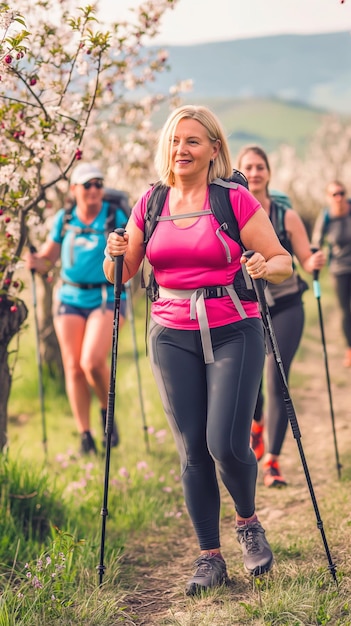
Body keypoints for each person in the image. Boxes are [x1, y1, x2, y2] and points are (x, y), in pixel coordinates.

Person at [103, 105, 293, 595]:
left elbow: (283, 262)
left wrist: (262, 267)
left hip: (234, 327)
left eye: (192, 141)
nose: (181, 150)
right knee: (192, 451)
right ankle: (210, 557)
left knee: (225, 443)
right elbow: (122, 276)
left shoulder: (233, 200)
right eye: (174, 140)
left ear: (213, 148)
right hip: (170, 333)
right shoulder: (152, 202)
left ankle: (248, 523)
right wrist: (114, 256)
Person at [237, 146, 326, 488]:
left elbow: (304, 258)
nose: (256, 172)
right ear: (241, 173)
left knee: (277, 379)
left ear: (269, 173)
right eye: (249, 167)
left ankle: (272, 460)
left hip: (287, 303)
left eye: (261, 167)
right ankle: (256, 426)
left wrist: (313, 263)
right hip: (247, 308)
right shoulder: (230, 213)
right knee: (250, 382)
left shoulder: (285, 215)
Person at [26, 162, 127, 455]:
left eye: (99, 184)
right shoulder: (65, 217)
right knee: (72, 366)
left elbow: (126, 252)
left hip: (105, 296)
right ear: (74, 190)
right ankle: (85, 437)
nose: (94, 190)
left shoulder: (112, 216)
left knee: (92, 361)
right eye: (88, 185)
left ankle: (106, 412)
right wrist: (36, 262)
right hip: (69, 296)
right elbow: (49, 258)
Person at [312, 180, 351, 368]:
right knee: (346, 311)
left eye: (342, 193)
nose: (339, 197)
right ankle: (350, 349)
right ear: (329, 197)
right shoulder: (326, 216)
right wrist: (314, 257)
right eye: (334, 194)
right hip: (339, 270)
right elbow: (316, 241)